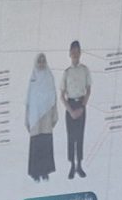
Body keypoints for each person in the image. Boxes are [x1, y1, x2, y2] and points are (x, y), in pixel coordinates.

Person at [25, 52, 59, 182]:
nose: (41, 63)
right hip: (34, 117)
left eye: (43, 61)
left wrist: (54, 115)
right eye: (39, 61)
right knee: (36, 143)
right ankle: (35, 173)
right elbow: (28, 101)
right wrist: (27, 118)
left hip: (46, 116)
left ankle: (45, 171)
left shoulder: (49, 77)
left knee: (45, 142)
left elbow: (54, 98)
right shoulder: (33, 78)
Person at [62, 40, 93, 178]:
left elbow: (88, 90)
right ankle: (71, 166)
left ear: (80, 53)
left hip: (81, 105)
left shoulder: (85, 70)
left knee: (80, 136)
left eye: (77, 51)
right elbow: (62, 96)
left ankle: (79, 165)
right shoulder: (66, 72)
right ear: (69, 53)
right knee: (71, 137)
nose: (75, 54)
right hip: (70, 106)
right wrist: (70, 111)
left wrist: (82, 108)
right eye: (72, 51)